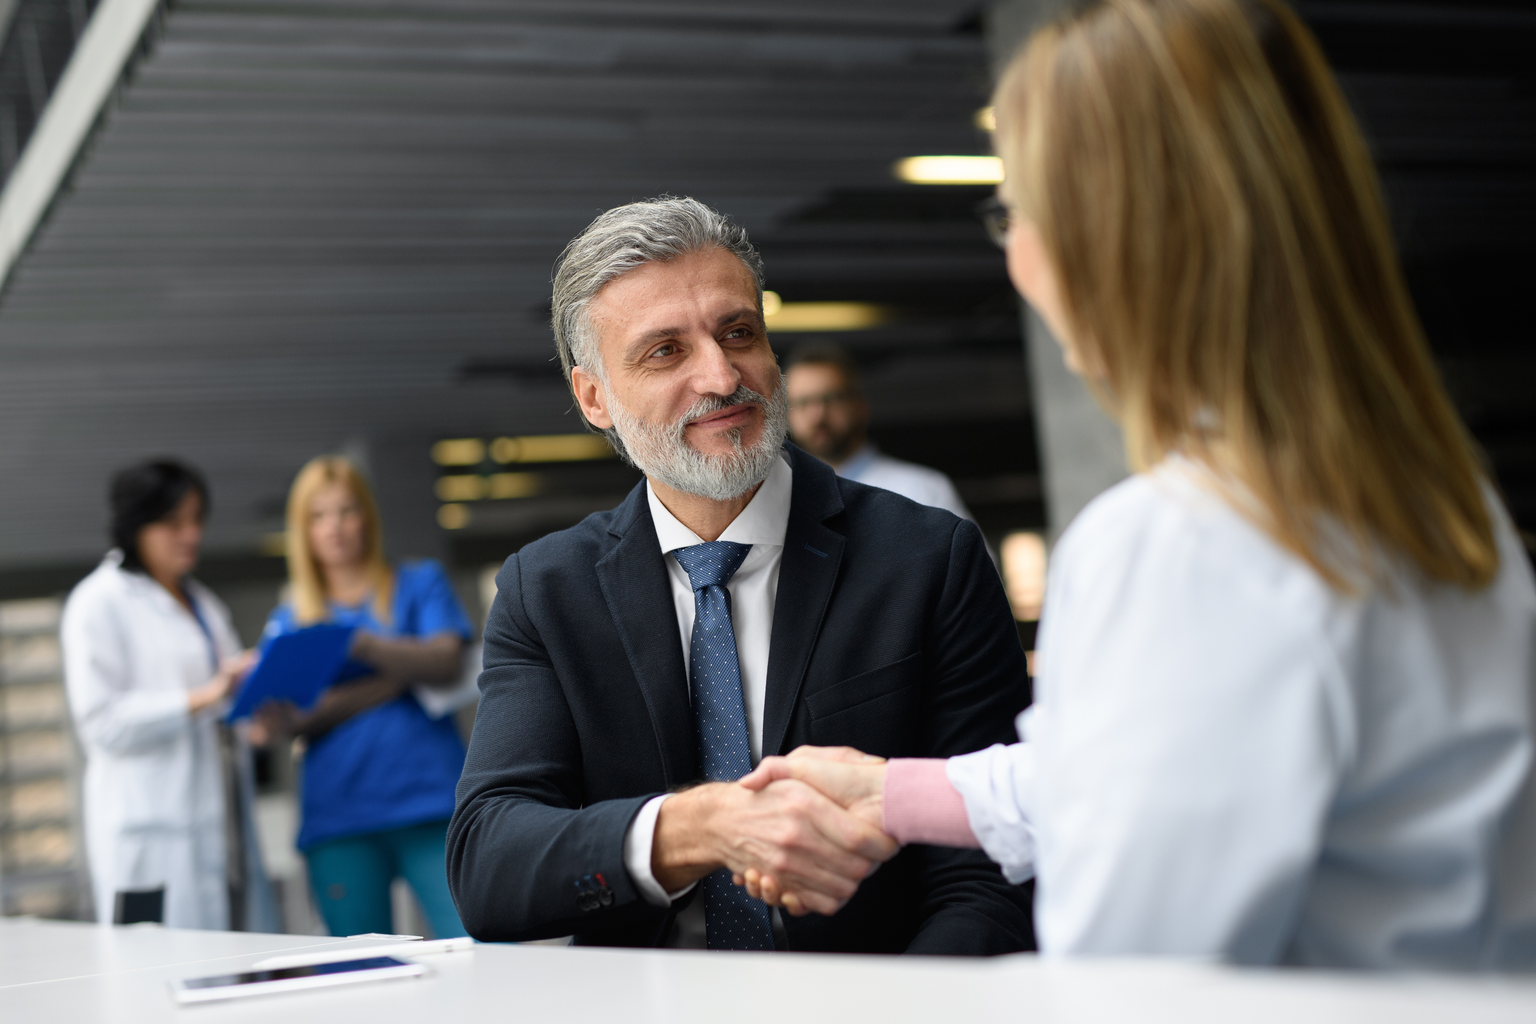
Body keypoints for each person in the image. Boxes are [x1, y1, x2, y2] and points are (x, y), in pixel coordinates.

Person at [736, 0, 1536, 971]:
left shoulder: (1183, 546)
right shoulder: (1433, 501)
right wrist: (897, 793)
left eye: (1016, 209)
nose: (1013, 249)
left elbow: (1127, 976)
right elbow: (1169, 765)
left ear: (1109, 239)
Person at [447, 197, 1033, 953]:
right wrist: (699, 827)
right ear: (593, 397)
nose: (722, 376)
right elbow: (489, 865)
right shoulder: (547, 592)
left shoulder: (927, 558)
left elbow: (990, 865)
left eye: (738, 333)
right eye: (665, 352)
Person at [254, 456, 474, 938]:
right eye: (318, 515)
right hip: (339, 818)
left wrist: (359, 645)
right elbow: (290, 718)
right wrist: (398, 675)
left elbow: (446, 663)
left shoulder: (420, 583)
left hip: (432, 803)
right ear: (302, 529)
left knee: (480, 945)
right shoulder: (291, 618)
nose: (333, 527)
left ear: (367, 518)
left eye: (345, 511)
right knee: (360, 975)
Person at [61, 459, 273, 930]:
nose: (191, 535)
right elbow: (103, 725)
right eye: (173, 522)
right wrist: (203, 696)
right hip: (149, 838)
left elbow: (227, 707)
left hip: (221, 831)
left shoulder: (204, 604)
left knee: (232, 972)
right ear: (135, 525)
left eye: (197, 520)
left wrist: (253, 704)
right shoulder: (97, 603)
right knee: (149, 980)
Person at [784, 343, 974, 521]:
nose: (817, 416)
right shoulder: (782, 498)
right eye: (802, 403)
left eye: (831, 398)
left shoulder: (922, 491)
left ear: (860, 407)